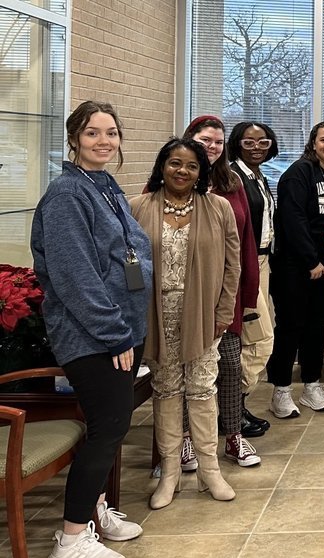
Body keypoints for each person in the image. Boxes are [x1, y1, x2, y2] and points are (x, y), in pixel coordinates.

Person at [32, 101, 151, 558]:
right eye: (92, 133)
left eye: (111, 133)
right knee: (106, 430)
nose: (104, 141)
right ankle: (71, 538)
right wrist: (114, 334)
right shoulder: (66, 194)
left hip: (121, 329)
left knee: (112, 427)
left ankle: (95, 509)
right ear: (73, 138)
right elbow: (75, 276)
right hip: (94, 335)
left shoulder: (102, 185)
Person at [130, 137, 240, 509]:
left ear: (201, 172)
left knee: (202, 389)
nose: (182, 171)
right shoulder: (138, 207)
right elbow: (127, 263)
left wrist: (224, 312)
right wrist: (134, 310)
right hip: (156, 314)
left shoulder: (218, 207)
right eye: (175, 163)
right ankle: (170, 473)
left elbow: (232, 267)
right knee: (166, 391)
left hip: (204, 315)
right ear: (162, 166)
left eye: (192, 166)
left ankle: (210, 471)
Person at [267, 120, 324, 418]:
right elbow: (292, 220)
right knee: (290, 327)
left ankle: (311, 385)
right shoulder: (299, 173)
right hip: (295, 266)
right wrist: (312, 262)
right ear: (313, 143)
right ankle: (281, 390)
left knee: (315, 327)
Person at [183, 115, 262, 469]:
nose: (212, 147)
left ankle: (233, 436)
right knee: (186, 366)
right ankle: (185, 439)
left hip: (226, 290)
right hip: (184, 290)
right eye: (205, 140)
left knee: (229, 365)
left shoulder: (231, 183)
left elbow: (246, 240)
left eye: (217, 141)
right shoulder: (176, 177)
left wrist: (248, 291)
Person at [227, 120, 279, 437]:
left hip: (263, 261)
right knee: (259, 339)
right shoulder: (232, 178)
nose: (257, 148)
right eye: (249, 142)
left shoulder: (258, 176)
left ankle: (236, 407)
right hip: (246, 265)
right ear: (237, 144)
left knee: (254, 338)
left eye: (263, 142)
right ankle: (231, 408)